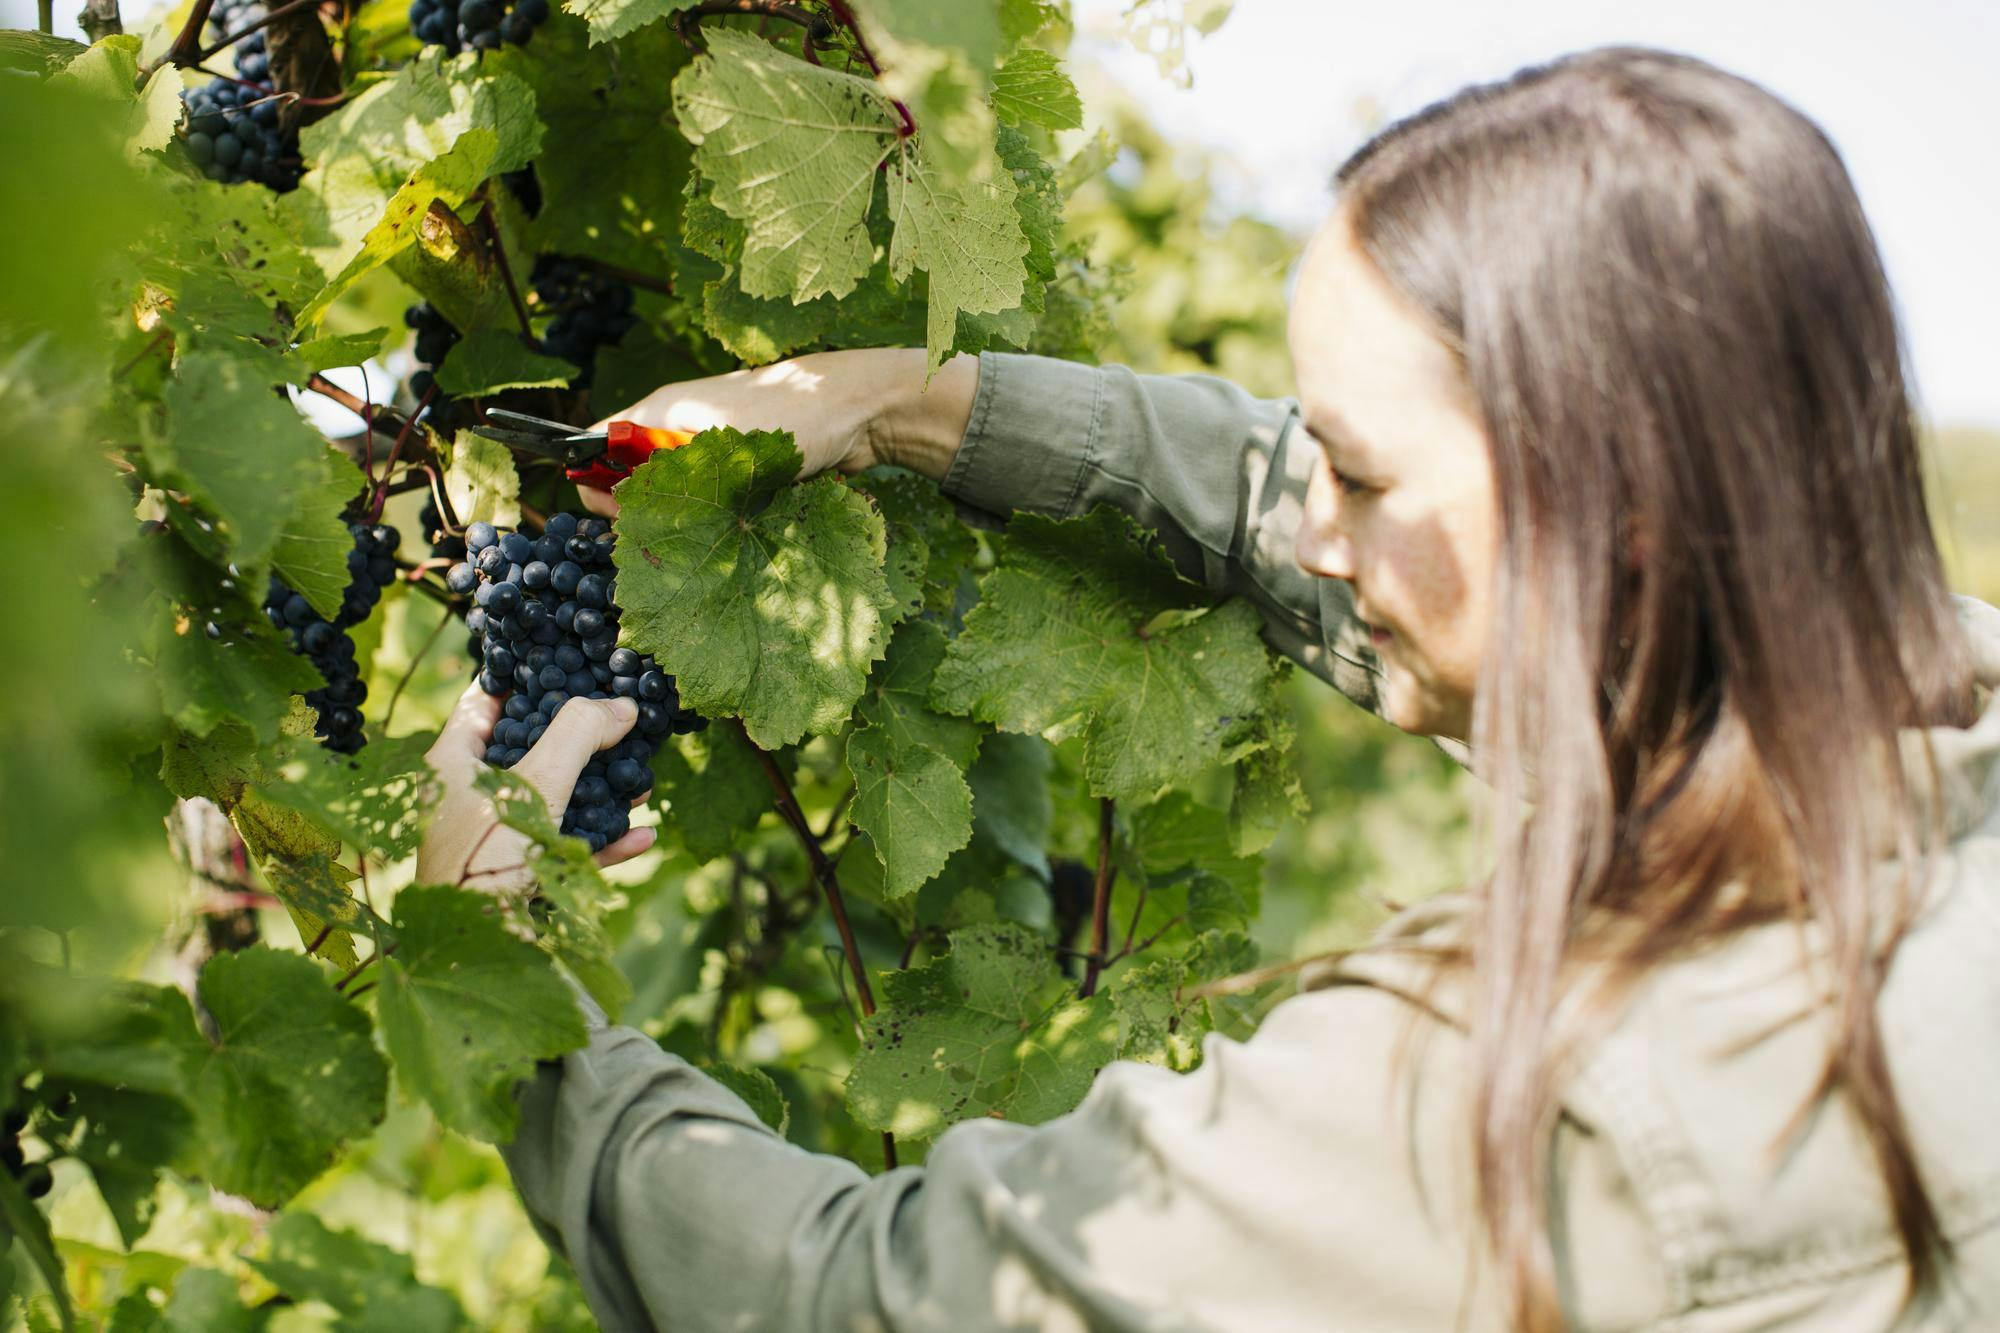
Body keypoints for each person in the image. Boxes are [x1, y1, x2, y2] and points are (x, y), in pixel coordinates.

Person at [414, 46, 2000, 1332]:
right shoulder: (1927, 741)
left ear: (1619, 523)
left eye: (1364, 478)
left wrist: (525, 1010)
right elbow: (1262, 488)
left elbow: (867, 1302)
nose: (1313, 526)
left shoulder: (1488, 1099)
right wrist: (883, 398)